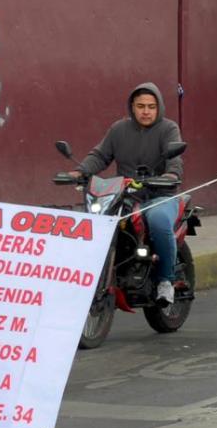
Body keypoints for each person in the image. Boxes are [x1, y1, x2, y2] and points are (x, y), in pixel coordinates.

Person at [72, 83, 183, 304]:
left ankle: (165, 281)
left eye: (151, 106)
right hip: (123, 197)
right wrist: (80, 171)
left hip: (159, 196)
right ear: (132, 107)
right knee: (90, 221)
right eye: (140, 106)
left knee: (159, 220)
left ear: (158, 107)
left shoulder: (168, 129)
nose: (146, 111)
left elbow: (175, 159)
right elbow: (100, 156)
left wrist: (170, 175)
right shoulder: (118, 130)